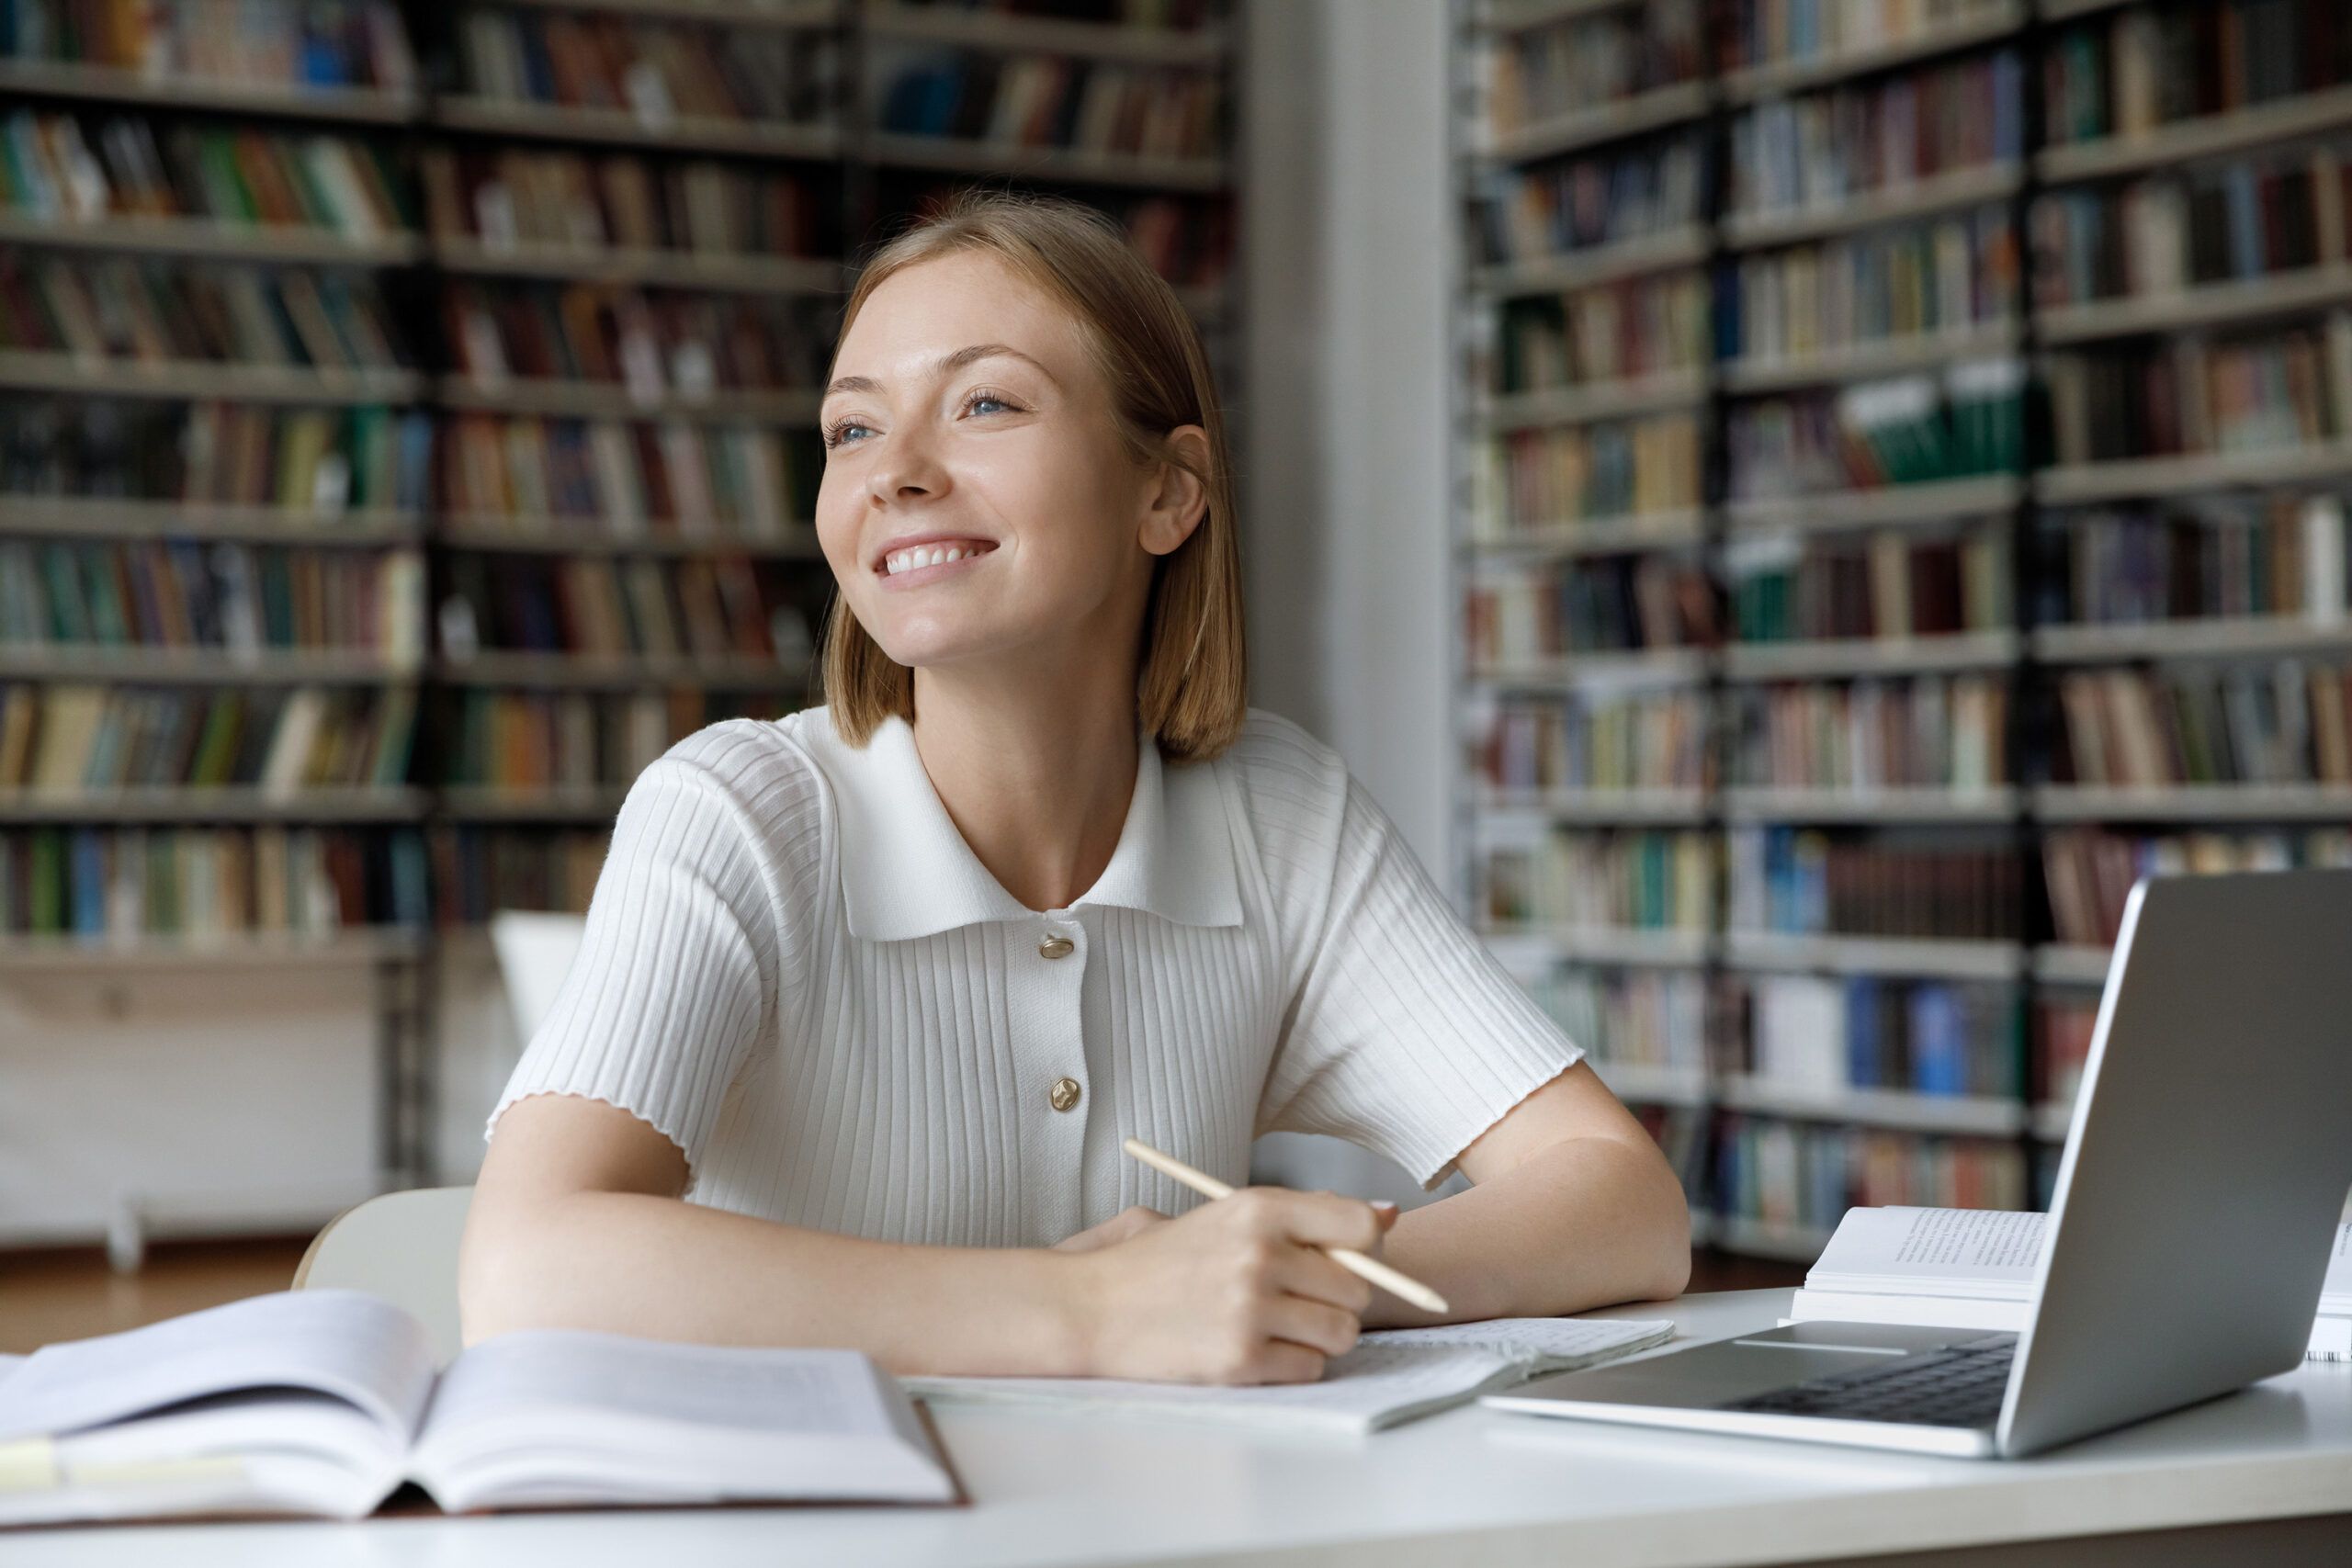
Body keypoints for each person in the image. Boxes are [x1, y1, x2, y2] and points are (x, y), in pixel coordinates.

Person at [459, 189, 1690, 1386]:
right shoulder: (734, 814)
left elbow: (1624, 1201)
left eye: (984, 402)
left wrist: (1291, 1279)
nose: (897, 471)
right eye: (852, 428)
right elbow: (527, 1266)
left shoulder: (1280, 814)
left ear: (1166, 490)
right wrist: (1092, 1311)